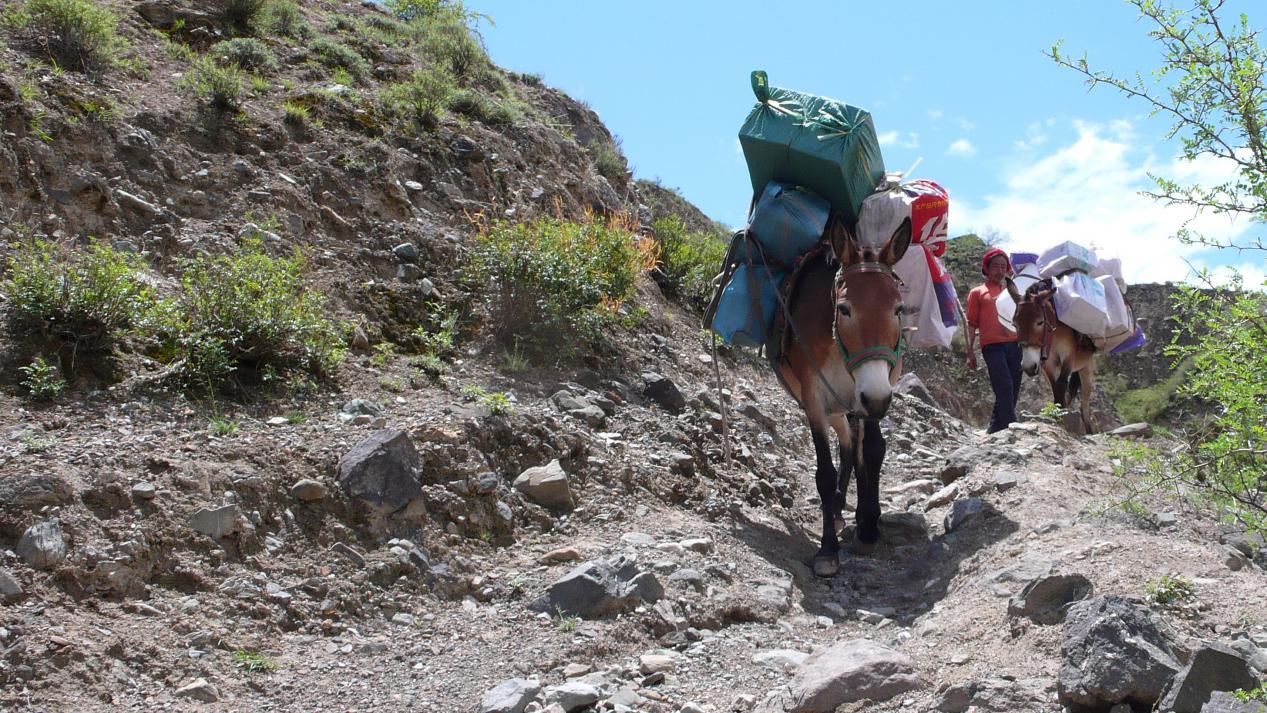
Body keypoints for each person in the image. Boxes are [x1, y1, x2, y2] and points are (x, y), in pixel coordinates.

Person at [965, 248, 1022, 433]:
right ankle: (1009, 426)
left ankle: (995, 427)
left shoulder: (1011, 292)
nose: (1000, 270)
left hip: (1015, 344)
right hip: (992, 346)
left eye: (1003, 267)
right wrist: (969, 352)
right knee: (1003, 383)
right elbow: (971, 324)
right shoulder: (977, 293)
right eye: (995, 266)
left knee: (1013, 385)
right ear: (986, 269)